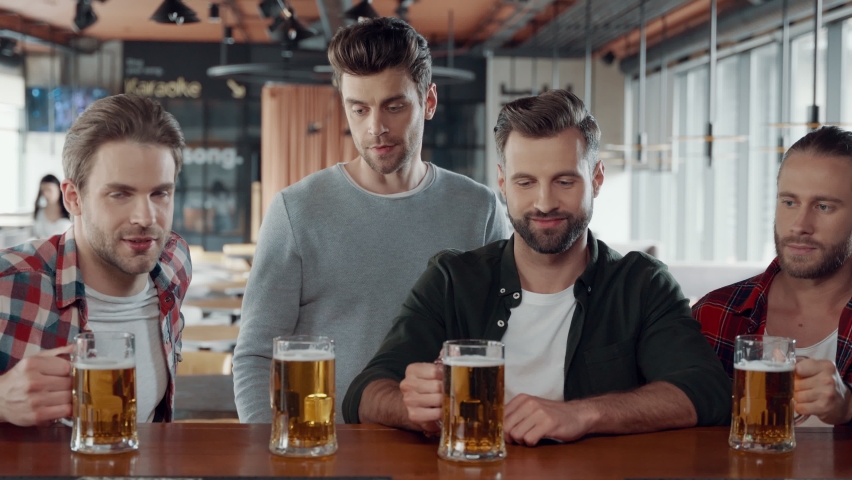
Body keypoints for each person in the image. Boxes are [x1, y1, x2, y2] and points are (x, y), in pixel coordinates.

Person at [344, 89, 731, 445]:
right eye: (525, 182)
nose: (544, 203)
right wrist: (411, 407)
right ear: (502, 183)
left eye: (564, 181)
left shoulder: (642, 284)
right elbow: (364, 394)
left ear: (596, 179)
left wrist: (585, 413)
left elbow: (706, 391)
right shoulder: (451, 280)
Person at [233, 17, 512, 423]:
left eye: (394, 106)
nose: (375, 128)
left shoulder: (479, 208)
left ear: (428, 102)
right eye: (359, 109)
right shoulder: (297, 210)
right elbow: (256, 355)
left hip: (445, 446)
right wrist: (267, 454)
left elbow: (502, 340)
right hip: (323, 450)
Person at [0, 94, 192, 426]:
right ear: (73, 198)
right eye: (120, 194)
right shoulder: (10, 283)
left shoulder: (174, 262)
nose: (145, 217)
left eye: (160, 193)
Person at [693, 126, 852, 427]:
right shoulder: (712, 314)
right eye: (789, 202)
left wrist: (849, 408)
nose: (799, 225)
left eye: (823, 206)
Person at [31, 174, 72, 239]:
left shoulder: (70, 210)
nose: (46, 194)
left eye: (49, 190)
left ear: (59, 189)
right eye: (43, 191)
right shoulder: (40, 212)